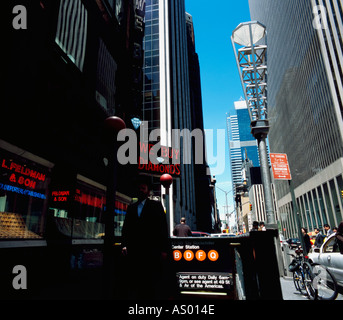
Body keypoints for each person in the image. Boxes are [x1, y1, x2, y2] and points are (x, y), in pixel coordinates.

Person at [121, 176, 170, 299]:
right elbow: (126, 229)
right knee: (136, 283)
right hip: (135, 252)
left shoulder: (156, 206)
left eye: (143, 188)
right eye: (139, 188)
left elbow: (163, 228)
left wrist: (164, 250)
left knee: (151, 283)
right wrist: (124, 245)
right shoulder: (131, 207)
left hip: (151, 252)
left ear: (148, 191)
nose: (141, 190)